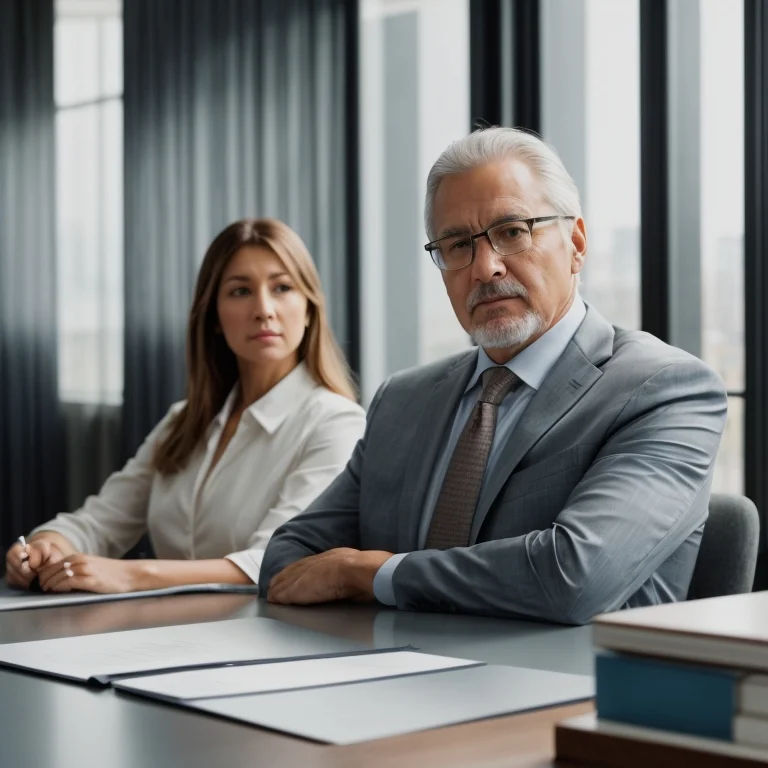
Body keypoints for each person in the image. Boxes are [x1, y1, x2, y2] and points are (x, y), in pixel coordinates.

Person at [260, 127, 728, 625]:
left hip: (563, 692)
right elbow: (288, 556)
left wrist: (372, 574)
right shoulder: (403, 399)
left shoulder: (665, 390)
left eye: (512, 231)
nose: (485, 268)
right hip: (390, 682)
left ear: (576, 242)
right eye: (458, 244)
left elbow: (573, 577)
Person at [5, 218, 365, 594]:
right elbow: (99, 522)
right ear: (213, 318)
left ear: (309, 309)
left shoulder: (335, 423)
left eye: (282, 288)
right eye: (241, 291)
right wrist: (47, 546)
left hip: (263, 635)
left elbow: (275, 559)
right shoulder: (184, 420)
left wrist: (133, 575)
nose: (264, 309)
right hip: (169, 633)